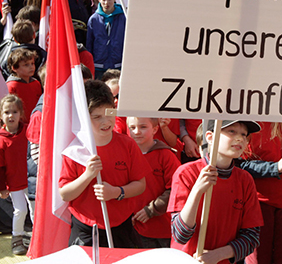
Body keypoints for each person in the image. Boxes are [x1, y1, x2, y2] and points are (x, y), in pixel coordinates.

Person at [58, 80, 152, 247]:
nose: (106, 122)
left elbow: (140, 184)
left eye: (109, 114)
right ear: (83, 116)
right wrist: (87, 175)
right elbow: (65, 194)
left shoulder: (127, 144)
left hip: (121, 227)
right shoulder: (75, 150)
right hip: (86, 229)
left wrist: (116, 192)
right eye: (97, 117)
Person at [168, 120, 264, 264]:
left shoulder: (245, 180)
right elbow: (180, 235)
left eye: (244, 134)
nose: (240, 138)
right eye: (232, 131)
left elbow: (251, 238)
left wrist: (217, 255)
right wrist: (197, 191)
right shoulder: (186, 173)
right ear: (210, 137)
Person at [240, 122, 282, 264]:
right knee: (258, 256)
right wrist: (274, 167)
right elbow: (240, 165)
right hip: (258, 202)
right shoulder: (249, 122)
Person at [127, 117, 181, 248]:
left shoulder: (166, 155)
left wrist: (152, 210)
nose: (137, 132)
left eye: (143, 127)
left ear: (155, 129)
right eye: (132, 128)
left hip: (165, 230)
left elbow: (177, 190)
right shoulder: (125, 155)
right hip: (135, 228)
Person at [0, 94, 33, 255]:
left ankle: (37, 238)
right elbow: (0, 167)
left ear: (21, 114)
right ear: (1, 116)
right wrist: (2, 187)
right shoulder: (1, 140)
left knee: (35, 210)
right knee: (20, 211)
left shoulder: (28, 131)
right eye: (6, 112)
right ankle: (17, 238)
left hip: (31, 181)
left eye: (14, 112)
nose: (10, 115)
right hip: (14, 184)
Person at [87, 0, 126, 79]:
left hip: (118, 64)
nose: (106, 2)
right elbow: (89, 43)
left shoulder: (123, 17)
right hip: (99, 65)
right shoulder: (94, 19)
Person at [6, 48, 42, 122]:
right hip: (19, 125)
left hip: (35, 121)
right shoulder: (11, 85)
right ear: (15, 68)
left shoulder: (36, 83)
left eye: (32, 63)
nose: (31, 67)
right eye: (26, 65)